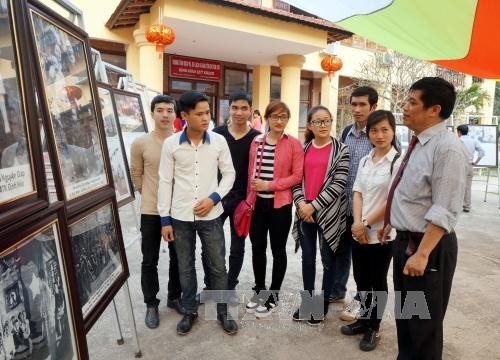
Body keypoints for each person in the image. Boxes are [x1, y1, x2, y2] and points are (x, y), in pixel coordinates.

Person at [379, 77, 468, 359]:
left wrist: (423, 253)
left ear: (434, 109)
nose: (403, 107)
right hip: (406, 243)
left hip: (426, 249)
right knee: (406, 321)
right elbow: (413, 193)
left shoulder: (447, 149)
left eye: (412, 102)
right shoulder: (419, 142)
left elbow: (446, 207)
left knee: (424, 329)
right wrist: (392, 222)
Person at [157, 91, 237, 335]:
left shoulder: (218, 142)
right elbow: (164, 181)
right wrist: (165, 219)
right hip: (180, 217)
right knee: (185, 267)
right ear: (184, 116)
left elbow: (230, 175)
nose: (206, 118)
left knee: (217, 266)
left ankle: (222, 311)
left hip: (211, 217)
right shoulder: (171, 144)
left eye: (208, 113)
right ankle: (190, 310)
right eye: (199, 114)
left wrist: (213, 199)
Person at [340, 110, 402, 351]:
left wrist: (365, 225)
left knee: (377, 281)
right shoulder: (366, 159)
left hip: (381, 235)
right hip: (359, 231)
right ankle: (363, 320)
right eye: (374, 130)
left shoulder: (398, 162)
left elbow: (392, 200)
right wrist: (357, 223)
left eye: (384, 129)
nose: (379, 135)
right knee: (362, 279)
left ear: (393, 131)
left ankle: (374, 328)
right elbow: (358, 192)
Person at [245, 101, 304, 317]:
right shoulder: (256, 142)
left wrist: (269, 185)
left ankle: (274, 294)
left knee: (278, 250)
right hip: (257, 204)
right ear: (267, 118)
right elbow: (251, 171)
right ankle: (259, 289)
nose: (279, 121)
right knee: (257, 247)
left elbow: (297, 176)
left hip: (280, 205)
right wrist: (250, 196)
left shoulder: (294, 144)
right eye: (275, 116)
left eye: (284, 117)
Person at [291, 106, 349, 325]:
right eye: (318, 121)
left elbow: (339, 183)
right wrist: (301, 204)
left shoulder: (341, 149)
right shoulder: (303, 150)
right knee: (307, 259)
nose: (323, 125)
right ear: (310, 125)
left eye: (326, 121)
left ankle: (322, 306)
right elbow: (295, 180)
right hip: (305, 214)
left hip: (329, 213)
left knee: (328, 260)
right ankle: (307, 302)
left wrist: (313, 206)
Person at [130, 94, 182, 329]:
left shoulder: (182, 140)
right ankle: (151, 303)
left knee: (179, 257)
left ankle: (174, 297)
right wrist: (151, 196)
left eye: (169, 110)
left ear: (175, 114)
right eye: (160, 110)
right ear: (152, 113)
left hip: (178, 210)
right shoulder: (140, 143)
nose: (165, 115)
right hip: (150, 211)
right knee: (149, 259)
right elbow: (136, 175)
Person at [201, 92, 260, 292]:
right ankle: (210, 286)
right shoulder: (216, 134)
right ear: (229, 109)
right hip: (216, 197)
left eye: (244, 108)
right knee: (209, 246)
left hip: (242, 200)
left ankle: (229, 286)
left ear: (250, 110)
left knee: (237, 247)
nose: (239, 112)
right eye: (235, 107)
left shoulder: (256, 139)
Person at [336, 86, 378, 322]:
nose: (357, 109)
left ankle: (364, 305)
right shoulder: (345, 133)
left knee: (366, 261)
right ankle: (338, 291)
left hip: (369, 212)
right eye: (354, 104)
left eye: (363, 105)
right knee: (343, 253)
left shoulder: (380, 135)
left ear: (373, 107)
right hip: (344, 207)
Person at [456, 124, 485, 212]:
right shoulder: (473, 141)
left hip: (458, 165)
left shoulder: (457, 141)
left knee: (455, 186)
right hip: (469, 165)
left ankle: (455, 206)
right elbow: (482, 151)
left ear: (459, 132)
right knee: (468, 187)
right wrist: (475, 162)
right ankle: (466, 206)